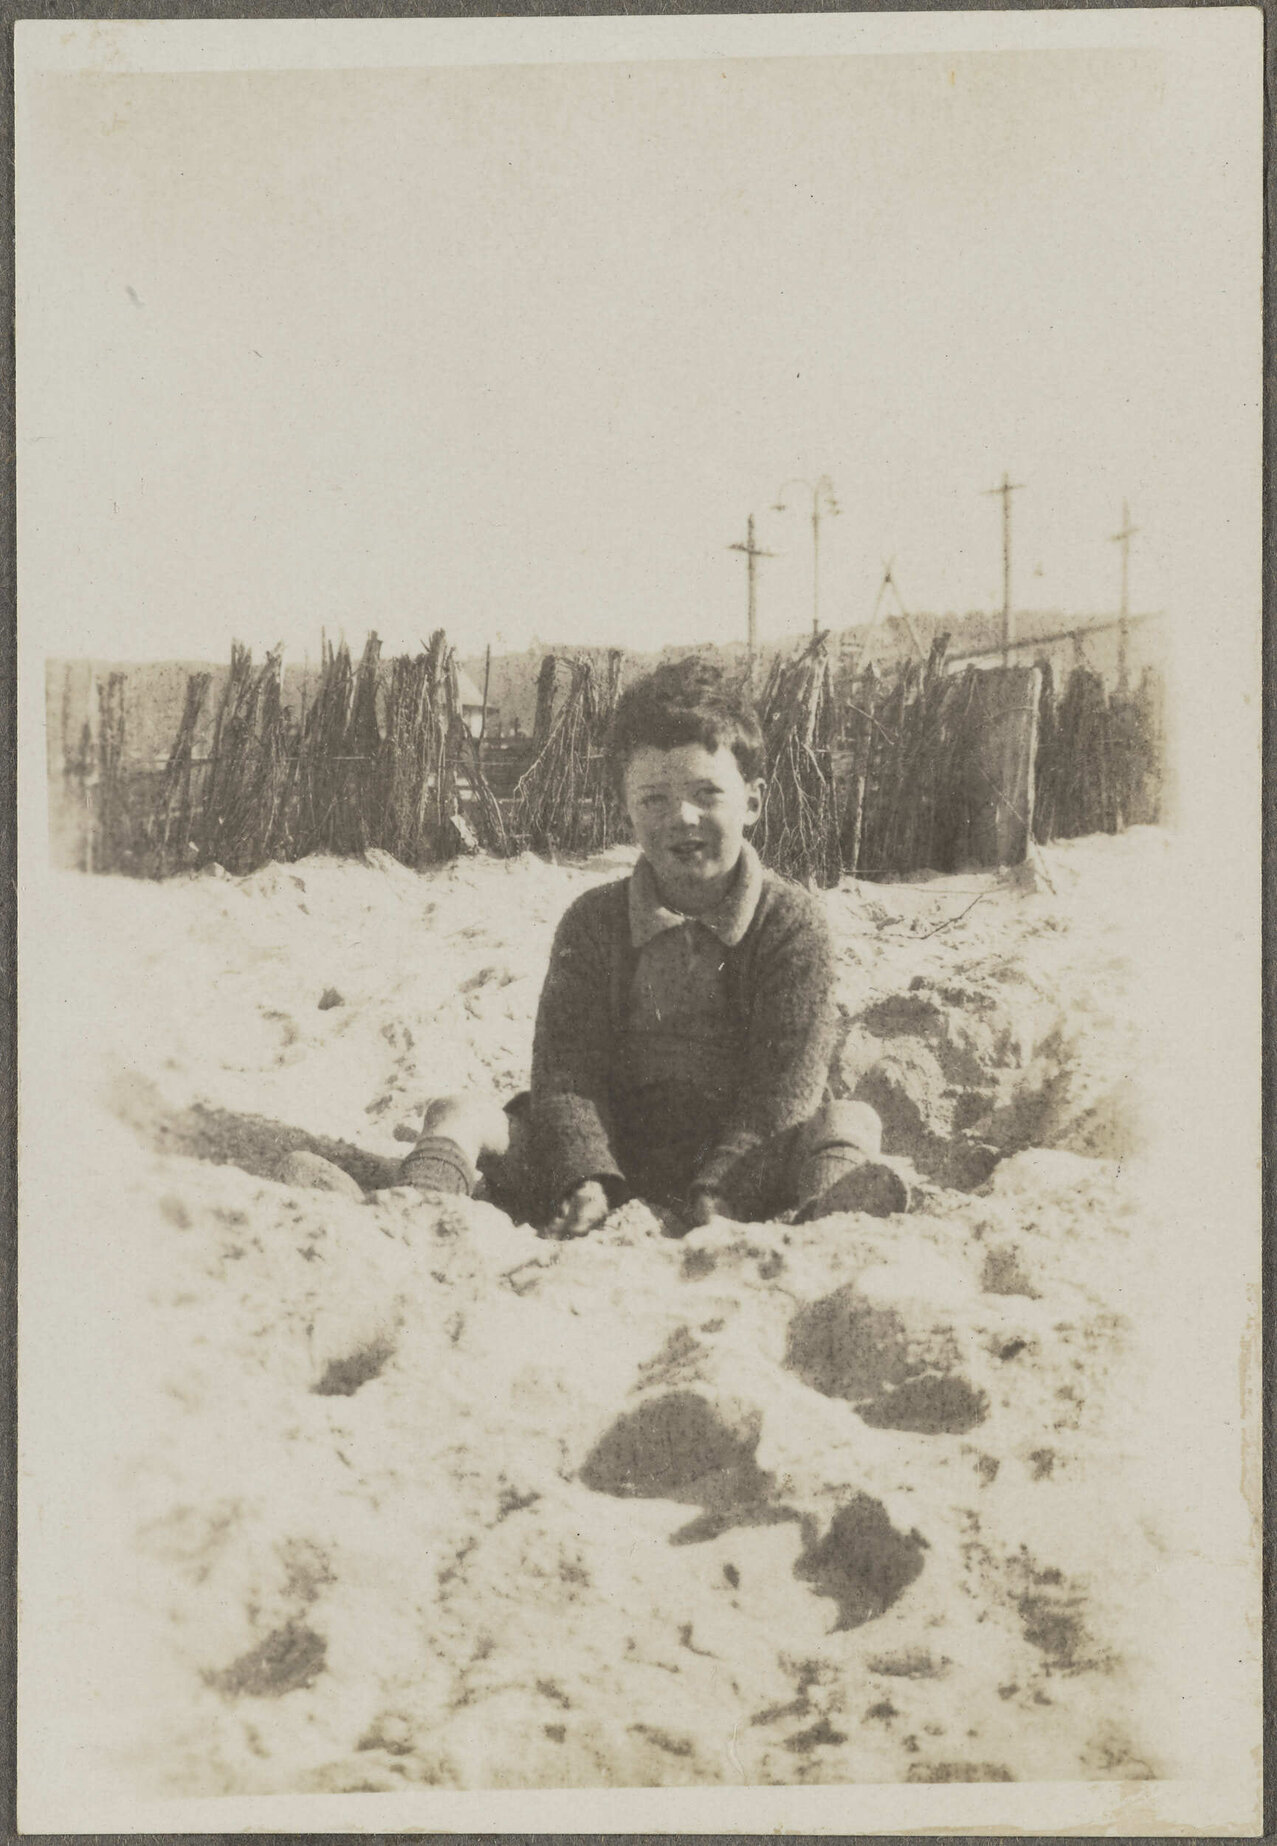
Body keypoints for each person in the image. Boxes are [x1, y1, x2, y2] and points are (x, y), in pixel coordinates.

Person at [399, 658, 908, 1237]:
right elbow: (567, 1074)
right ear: (627, 809)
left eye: (706, 793)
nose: (681, 817)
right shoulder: (593, 921)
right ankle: (413, 1209)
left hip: (751, 1161)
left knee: (849, 1121)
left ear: (754, 802)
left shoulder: (791, 924)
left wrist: (720, 1193)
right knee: (459, 1112)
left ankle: (827, 1221)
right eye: (654, 800)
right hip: (612, 1151)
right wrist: (584, 1178)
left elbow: (781, 1092)